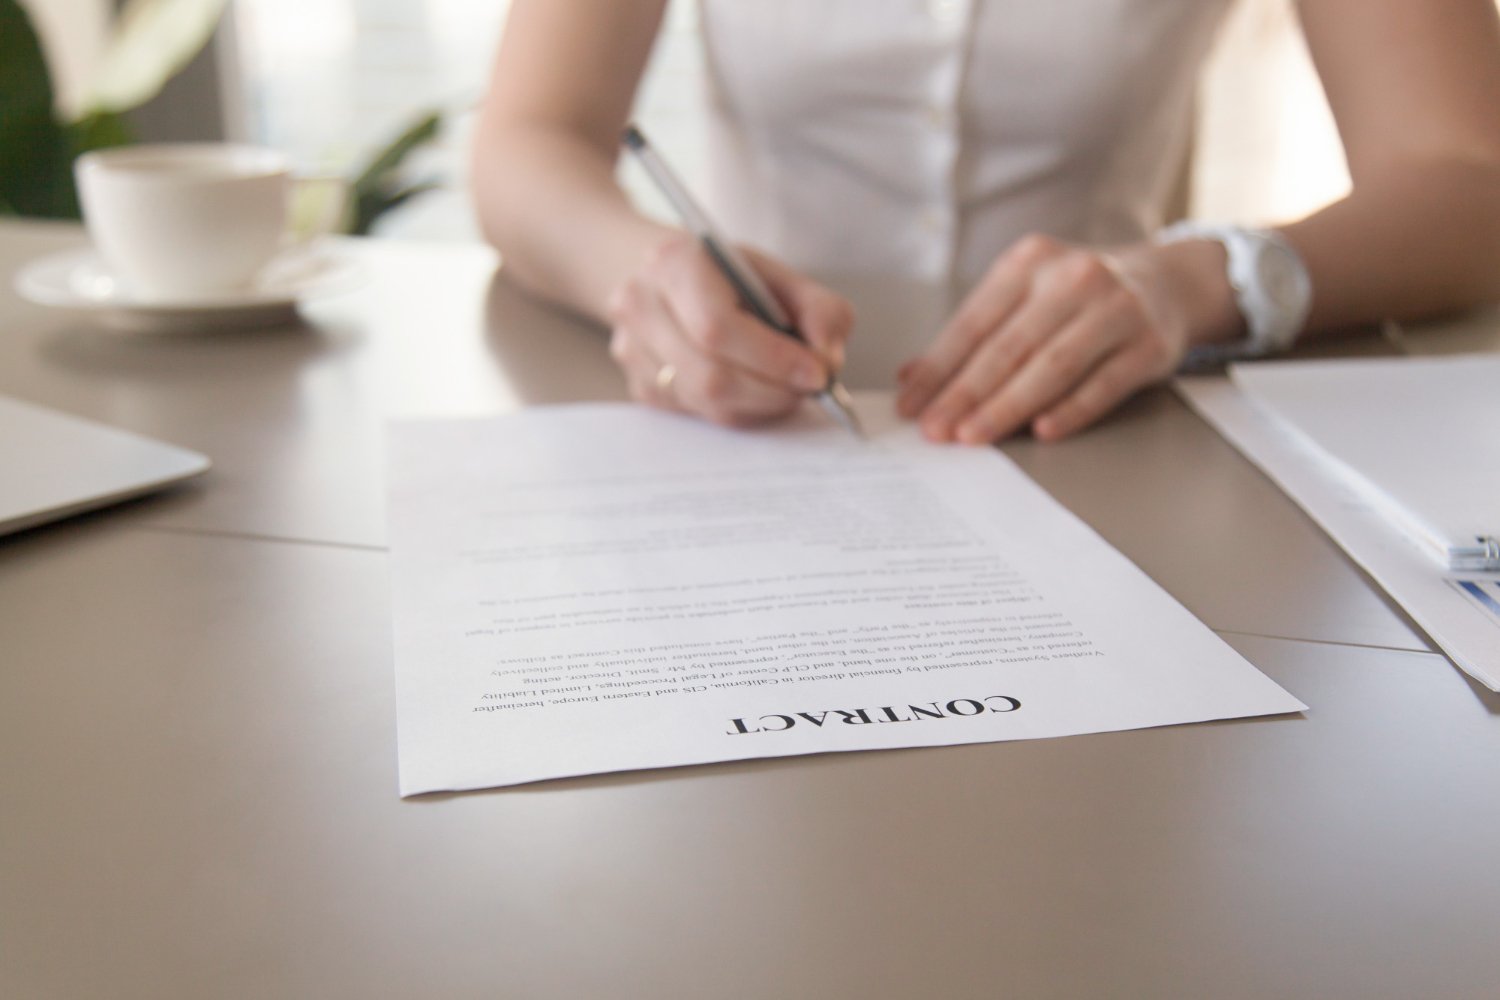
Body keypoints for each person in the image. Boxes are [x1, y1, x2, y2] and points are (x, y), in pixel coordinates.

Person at [472, 0, 1500, 444]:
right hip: (751, 427)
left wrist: (1202, 280)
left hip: (1120, 431)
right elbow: (526, 138)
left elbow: (1469, 178)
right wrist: (642, 273)